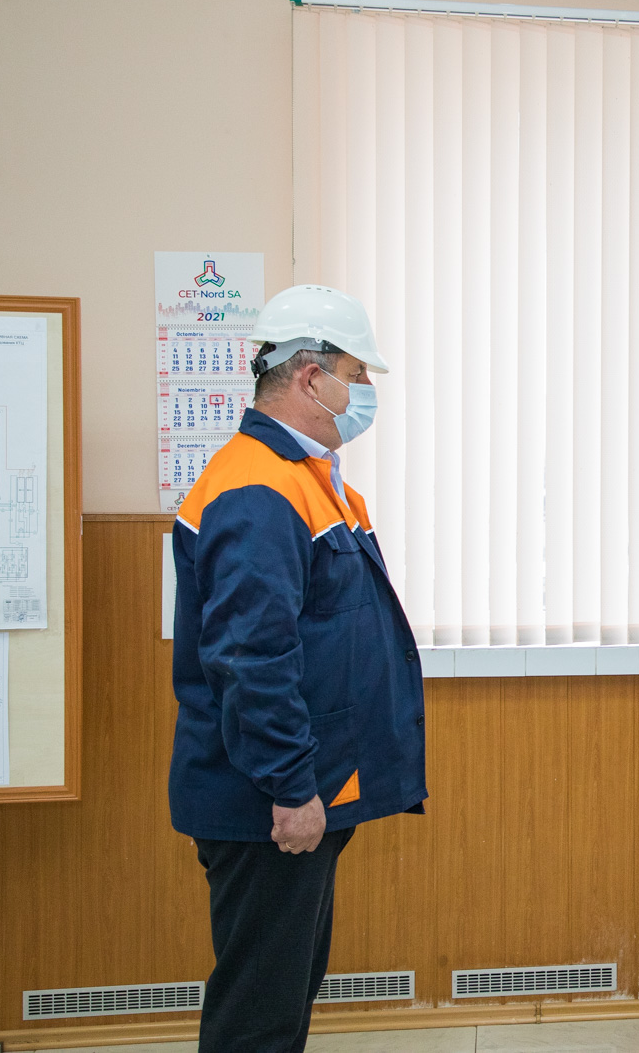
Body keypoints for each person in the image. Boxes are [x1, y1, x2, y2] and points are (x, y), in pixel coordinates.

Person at [169, 284, 427, 1053]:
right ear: (312, 376)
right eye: (357, 372)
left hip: (306, 787)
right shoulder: (259, 487)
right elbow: (251, 655)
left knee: (283, 995)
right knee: (260, 1015)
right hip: (270, 800)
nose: (366, 390)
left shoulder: (309, 477)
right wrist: (290, 787)